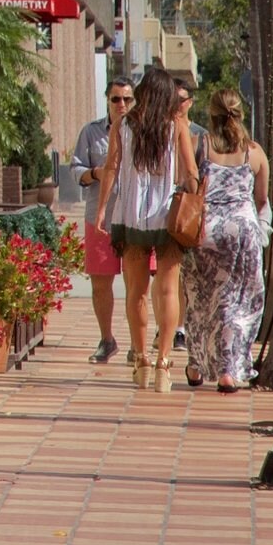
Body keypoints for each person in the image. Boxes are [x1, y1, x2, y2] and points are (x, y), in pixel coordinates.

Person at [95, 64, 198, 393]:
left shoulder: (122, 124)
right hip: (167, 216)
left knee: (136, 291)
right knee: (168, 290)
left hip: (132, 217)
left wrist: (101, 210)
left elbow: (111, 167)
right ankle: (164, 365)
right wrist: (195, 199)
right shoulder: (176, 125)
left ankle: (140, 360)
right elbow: (190, 171)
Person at [182, 89, 270, 392]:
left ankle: (195, 365)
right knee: (238, 303)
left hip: (205, 233)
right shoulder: (254, 152)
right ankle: (228, 371)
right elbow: (261, 200)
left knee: (200, 300)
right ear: (240, 113)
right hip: (242, 234)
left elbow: (187, 186)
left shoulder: (199, 146)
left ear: (211, 114)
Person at [70, 78, 134, 363]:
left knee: (137, 284)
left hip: (134, 218)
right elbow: (76, 169)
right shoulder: (91, 132)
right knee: (100, 283)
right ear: (107, 100)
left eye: (127, 99)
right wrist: (97, 173)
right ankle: (107, 339)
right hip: (100, 219)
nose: (122, 105)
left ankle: (138, 344)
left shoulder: (142, 133)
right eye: (116, 99)